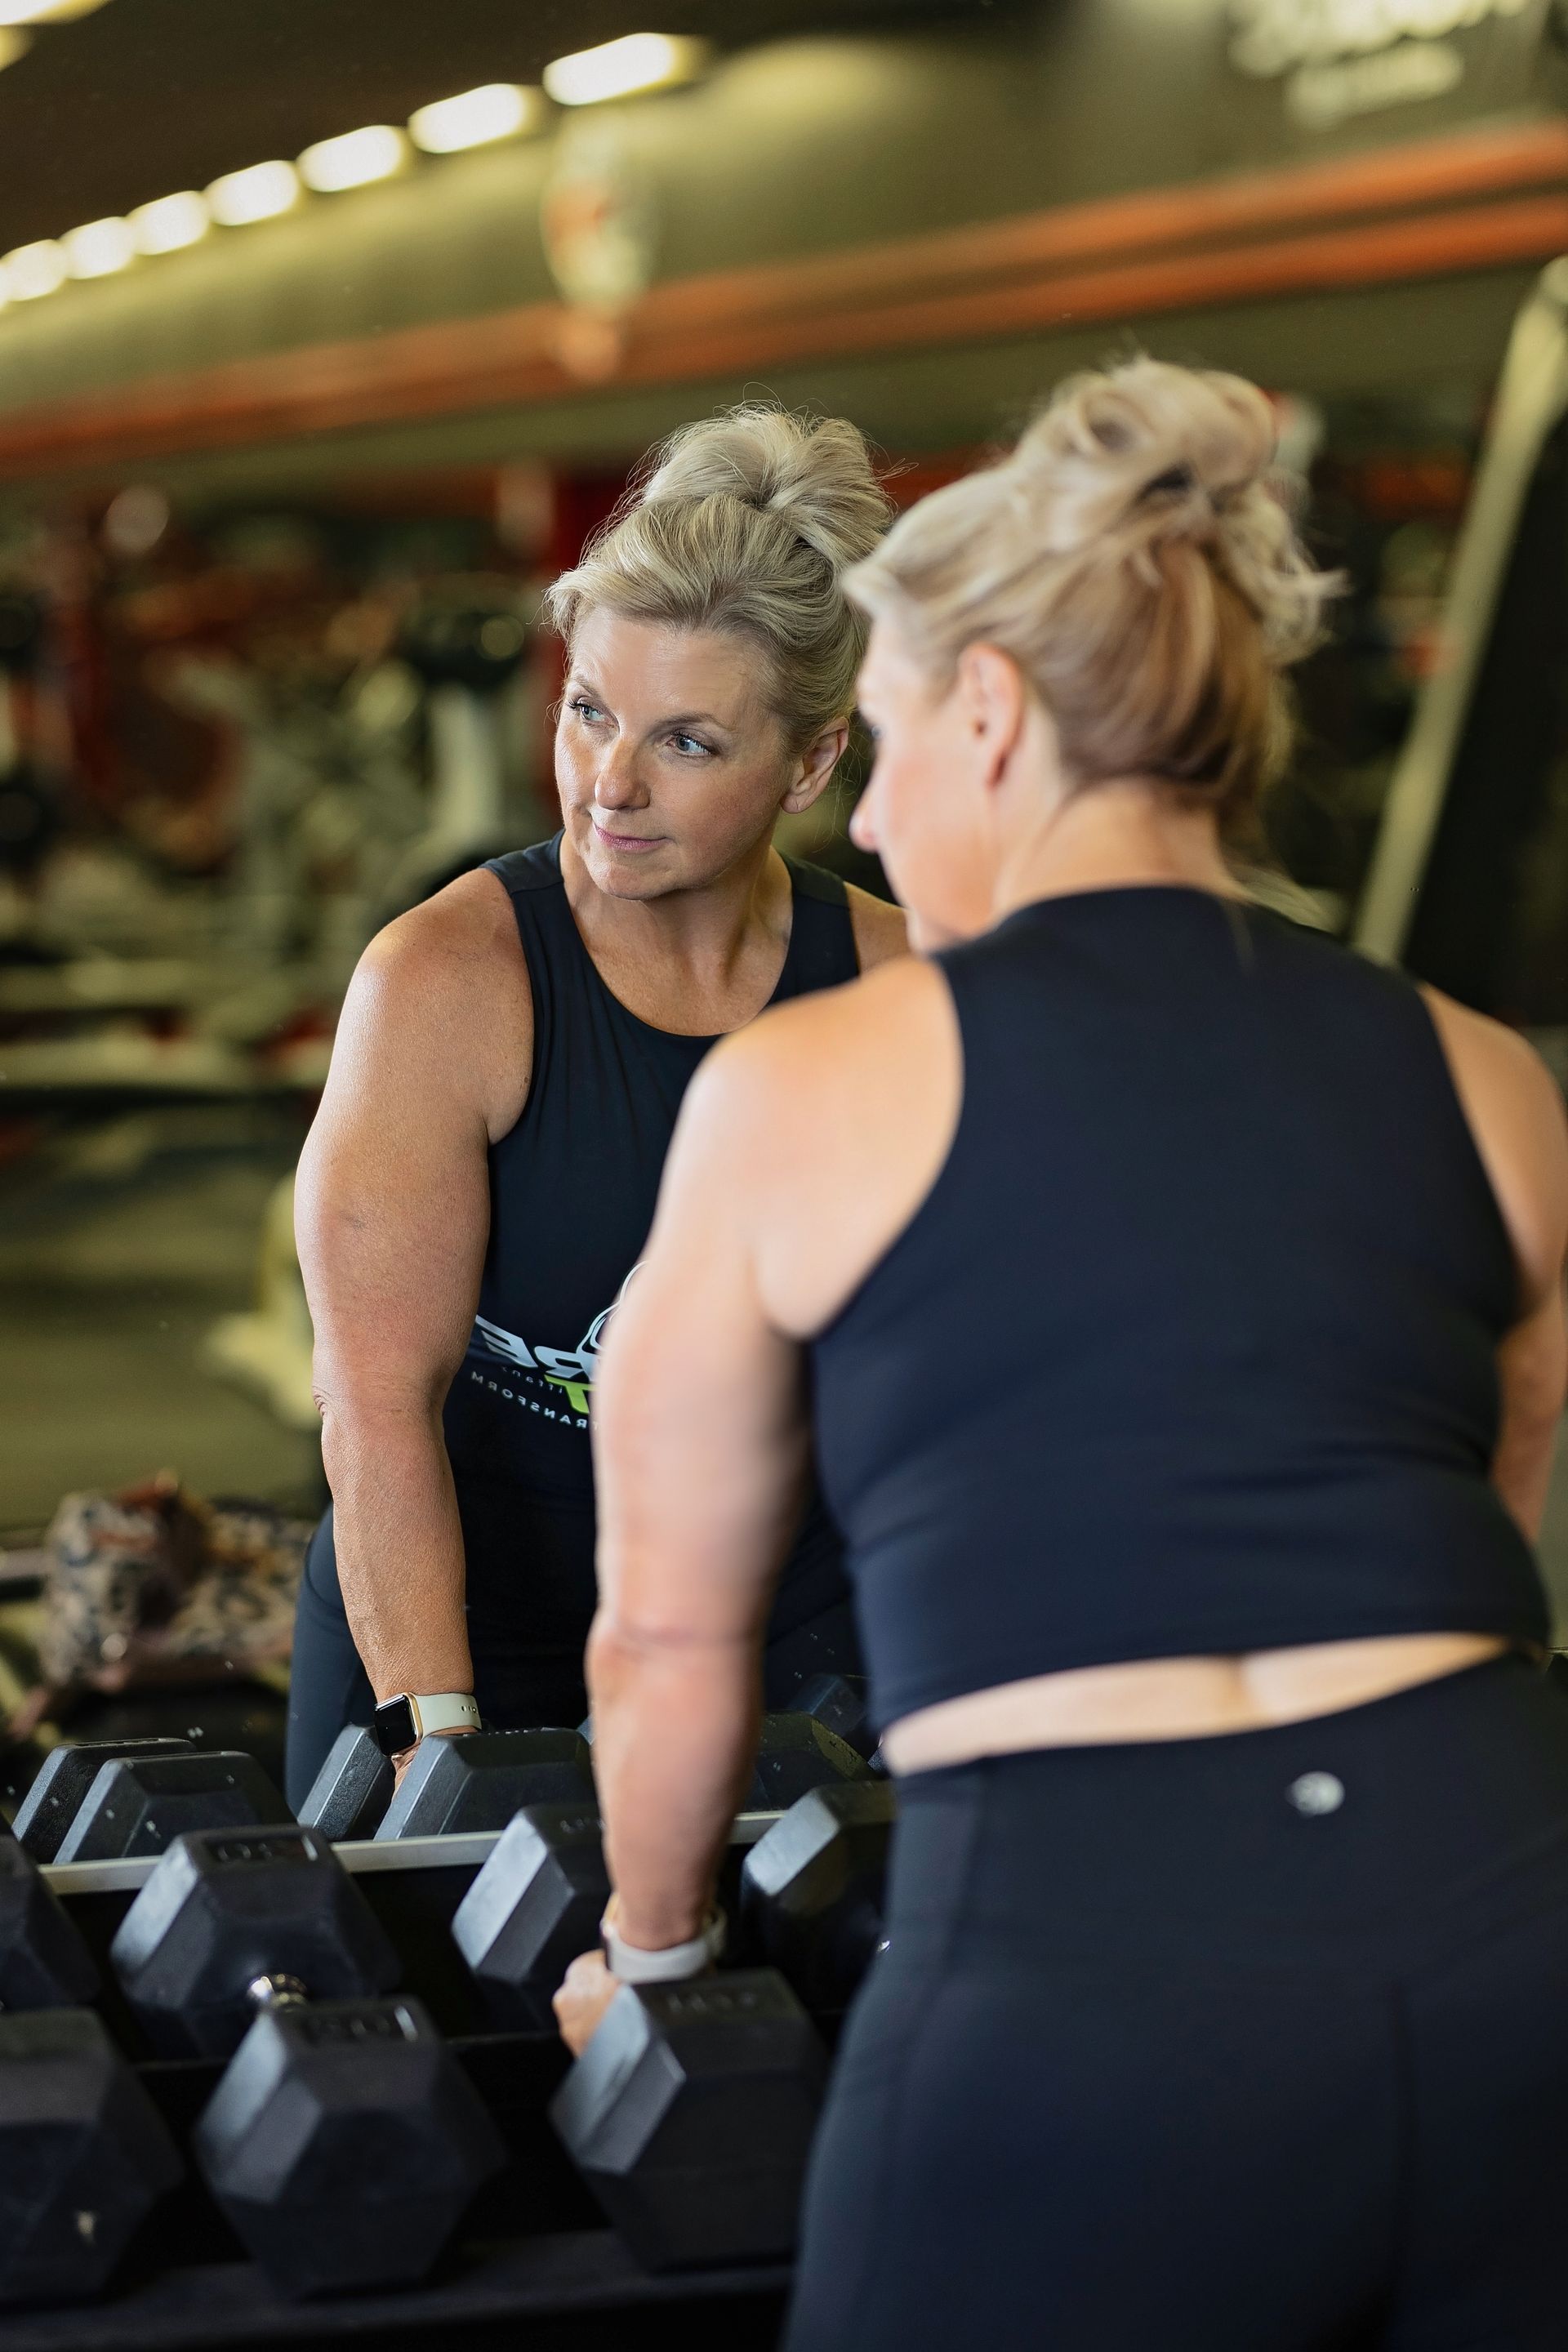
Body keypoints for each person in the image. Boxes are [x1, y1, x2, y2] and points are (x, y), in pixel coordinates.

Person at [555, 359, 1568, 2350]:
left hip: (1096, 1968)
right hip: (1520, 1930)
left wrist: (652, 1957)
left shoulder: (810, 1085)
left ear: (993, 717)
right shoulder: (1486, 1075)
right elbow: (1488, 1515)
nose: (886, 808)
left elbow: (667, 1643)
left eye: (899, 736)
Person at [285, 406, 905, 1806]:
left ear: (808, 765)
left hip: (776, 1624)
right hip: (465, 1625)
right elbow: (380, 1407)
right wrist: (434, 1746)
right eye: (588, 711)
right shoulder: (446, 982)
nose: (608, 786)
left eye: (686, 743)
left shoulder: (895, 990)